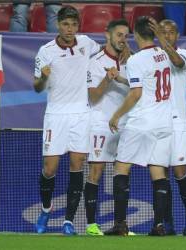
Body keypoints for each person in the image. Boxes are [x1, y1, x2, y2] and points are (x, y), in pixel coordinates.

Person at [105, 16, 182, 236]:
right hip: (164, 123)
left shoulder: (136, 60)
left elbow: (137, 93)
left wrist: (116, 115)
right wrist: (121, 78)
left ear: (136, 35)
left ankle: (120, 224)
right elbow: (148, 83)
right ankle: (159, 225)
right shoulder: (163, 54)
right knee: (158, 172)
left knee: (121, 168)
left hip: (142, 122)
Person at [33, 5, 101, 236]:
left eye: (73, 24)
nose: (69, 29)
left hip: (81, 114)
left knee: (77, 164)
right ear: (58, 24)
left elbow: (106, 52)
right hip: (56, 115)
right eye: (65, 24)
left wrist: (123, 53)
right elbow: (36, 87)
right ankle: (45, 209)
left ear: (78, 26)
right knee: (50, 169)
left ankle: (69, 221)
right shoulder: (45, 51)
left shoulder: (87, 43)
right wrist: (43, 77)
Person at [84, 19, 130, 236]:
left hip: (125, 125)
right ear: (107, 35)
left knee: (122, 173)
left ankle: (121, 225)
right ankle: (92, 225)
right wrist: (107, 79)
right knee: (96, 171)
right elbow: (92, 96)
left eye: (126, 35)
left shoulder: (132, 61)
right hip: (101, 123)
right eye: (119, 34)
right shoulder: (95, 61)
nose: (123, 39)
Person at [150, 19, 186, 236]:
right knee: (161, 175)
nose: (167, 36)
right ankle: (166, 222)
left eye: (170, 32)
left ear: (177, 35)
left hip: (178, 121)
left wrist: (159, 39)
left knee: (179, 172)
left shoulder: (185, 54)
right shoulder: (152, 58)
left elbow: (176, 62)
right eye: (162, 32)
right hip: (157, 122)